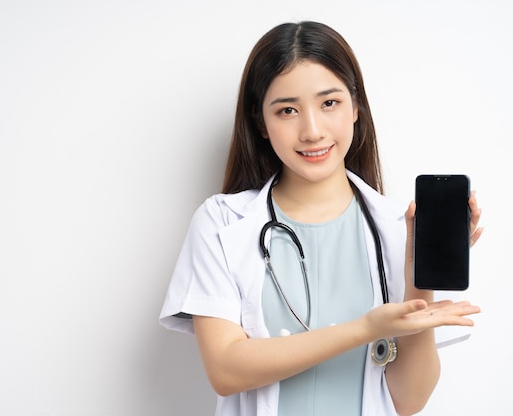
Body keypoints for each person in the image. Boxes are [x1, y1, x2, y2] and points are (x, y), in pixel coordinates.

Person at [159, 21, 482, 416]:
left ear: (356, 106)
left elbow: (408, 401)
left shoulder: (399, 228)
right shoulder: (222, 223)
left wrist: (420, 285)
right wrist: (365, 330)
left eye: (329, 103)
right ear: (261, 123)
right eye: (287, 110)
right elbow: (226, 369)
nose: (311, 131)